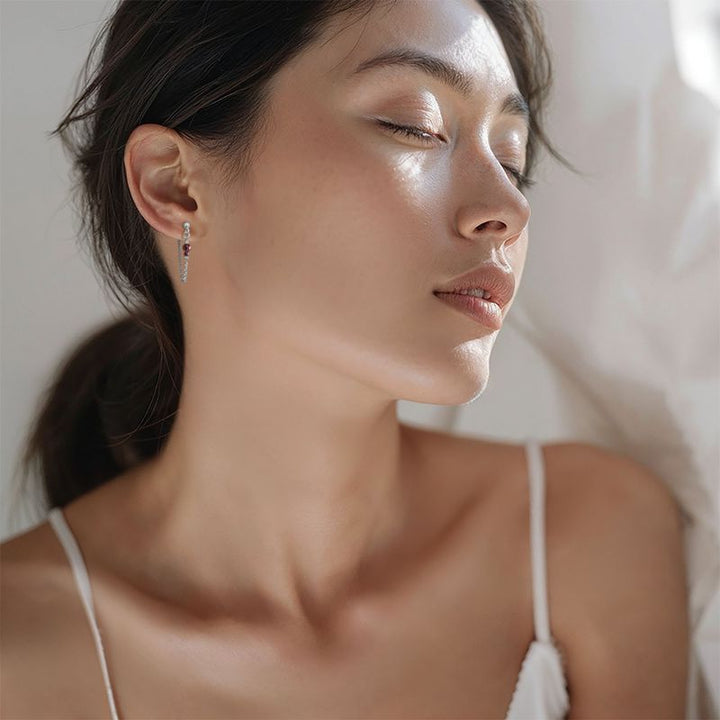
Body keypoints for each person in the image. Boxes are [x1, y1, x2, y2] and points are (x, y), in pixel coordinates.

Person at [1, 0, 689, 717]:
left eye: (513, 160)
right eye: (416, 126)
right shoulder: (21, 654)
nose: (506, 209)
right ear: (176, 185)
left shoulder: (585, 539)